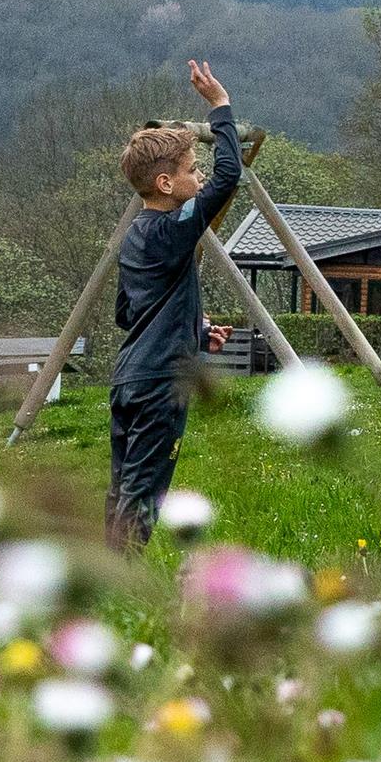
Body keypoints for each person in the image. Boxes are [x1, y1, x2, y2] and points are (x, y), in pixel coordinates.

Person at [104, 61, 244, 549]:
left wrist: (197, 328)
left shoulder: (135, 238)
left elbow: (128, 313)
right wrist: (220, 107)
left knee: (122, 490)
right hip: (162, 382)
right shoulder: (173, 229)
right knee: (144, 494)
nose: (199, 175)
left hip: (127, 381)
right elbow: (229, 176)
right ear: (166, 184)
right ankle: (122, 587)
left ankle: (109, 583)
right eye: (190, 170)